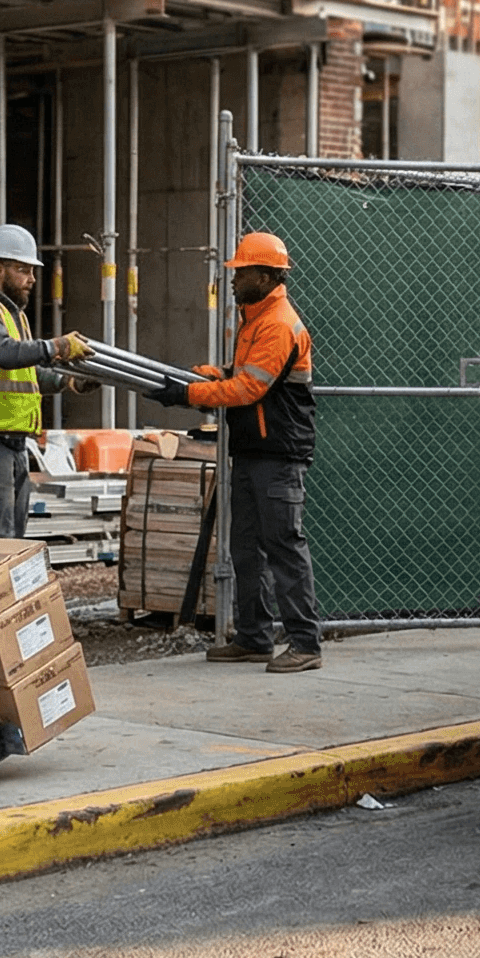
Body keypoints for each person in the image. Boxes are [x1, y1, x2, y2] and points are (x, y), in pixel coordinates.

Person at [151, 232, 322, 673]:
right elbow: (239, 373)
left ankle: (305, 643)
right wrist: (202, 377)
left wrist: (190, 394)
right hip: (254, 450)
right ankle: (254, 638)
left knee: (283, 546)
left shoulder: (278, 323)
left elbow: (250, 388)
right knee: (246, 549)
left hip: (277, 454)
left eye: (240, 272)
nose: (233, 278)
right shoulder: (257, 317)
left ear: (264, 276)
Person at [0, 224, 88, 539]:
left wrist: (70, 383)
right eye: (23, 270)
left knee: (14, 534)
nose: (32, 279)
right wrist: (54, 347)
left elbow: (26, 373)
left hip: (13, 442)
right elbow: (2, 352)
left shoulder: (15, 315)